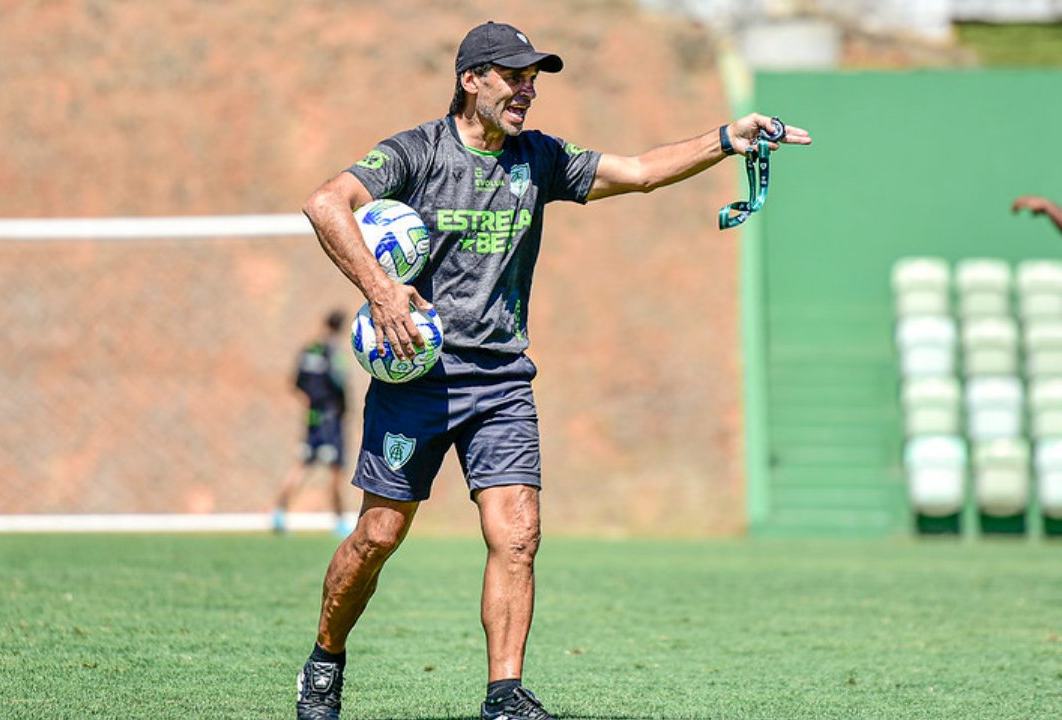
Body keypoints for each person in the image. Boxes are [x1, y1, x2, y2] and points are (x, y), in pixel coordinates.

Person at [295, 20, 812, 720]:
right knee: (378, 537)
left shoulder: (538, 158)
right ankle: (325, 660)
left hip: (502, 381)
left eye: (533, 77)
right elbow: (327, 203)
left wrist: (727, 138)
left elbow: (639, 171)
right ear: (471, 79)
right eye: (513, 76)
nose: (527, 89)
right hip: (417, 382)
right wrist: (383, 292)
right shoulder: (414, 152)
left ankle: (504, 696)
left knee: (518, 534)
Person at [272, 309, 352, 538]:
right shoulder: (334, 351)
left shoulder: (309, 349)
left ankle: (279, 513)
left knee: (302, 465)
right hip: (331, 418)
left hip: (313, 416)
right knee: (335, 470)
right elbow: (340, 382)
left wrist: (310, 403)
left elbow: (296, 383)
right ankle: (339, 522)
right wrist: (345, 410)